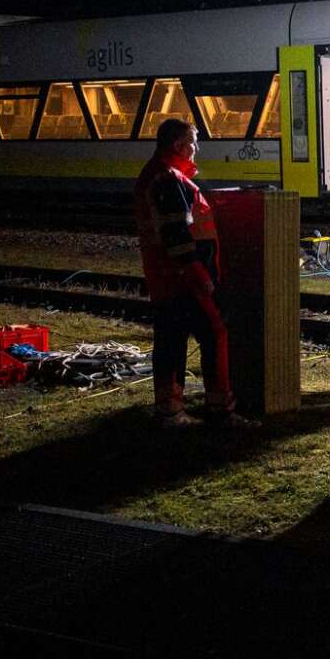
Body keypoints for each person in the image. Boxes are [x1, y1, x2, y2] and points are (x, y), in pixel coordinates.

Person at [132, 118, 255, 429]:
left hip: (167, 276)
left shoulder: (161, 175)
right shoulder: (167, 178)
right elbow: (176, 231)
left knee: (171, 339)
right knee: (215, 332)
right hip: (182, 278)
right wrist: (196, 270)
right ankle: (220, 410)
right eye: (193, 141)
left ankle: (170, 410)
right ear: (178, 145)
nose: (196, 148)